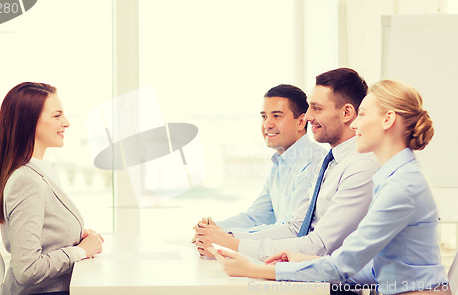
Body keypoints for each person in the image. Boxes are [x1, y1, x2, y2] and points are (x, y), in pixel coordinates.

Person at [209, 80, 451, 295]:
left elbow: (343, 266)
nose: (355, 124)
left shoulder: (402, 187)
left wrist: (257, 269)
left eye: (363, 114)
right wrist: (300, 262)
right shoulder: (394, 178)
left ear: (387, 120)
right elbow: (376, 269)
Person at [195, 68, 379, 260]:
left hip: (335, 284)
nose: (307, 117)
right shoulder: (329, 164)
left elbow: (318, 245)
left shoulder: (360, 166)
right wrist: (220, 235)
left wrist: (232, 243)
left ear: (347, 113)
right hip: (310, 271)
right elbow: (294, 228)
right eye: (264, 116)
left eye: (316, 108)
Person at [0, 82, 104, 295]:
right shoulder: (26, 181)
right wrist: (79, 252)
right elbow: (27, 269)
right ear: (29, 122)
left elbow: (42, 234)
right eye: (57, 116)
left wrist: (73, 236)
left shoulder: (36, 173)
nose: (66, 123)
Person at [191, 84, 326, 255]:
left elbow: (295, 231)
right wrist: (212, 229)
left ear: (301, 122)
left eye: (276, 116)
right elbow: (256, 216)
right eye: (264, 117)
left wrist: (227, 238)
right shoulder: (280, 163)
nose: (267, 124)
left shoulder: (314, 162)